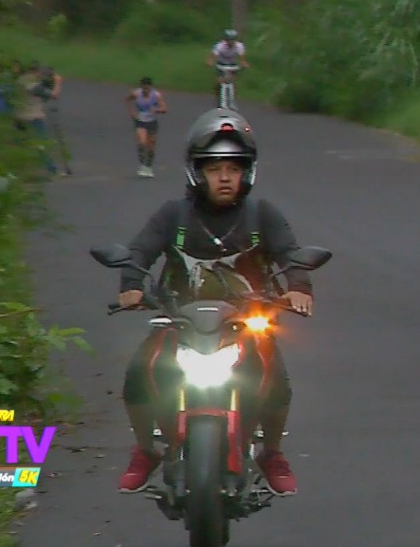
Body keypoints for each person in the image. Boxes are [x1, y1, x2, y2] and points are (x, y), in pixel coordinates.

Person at [113, 109, 313, 496]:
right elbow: (139, 252)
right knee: (140, 372)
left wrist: (299, 288)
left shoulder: (262, 214)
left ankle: (271, 453)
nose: (224, 177)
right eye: (214, 168)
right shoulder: (174, 214)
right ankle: (145, 450)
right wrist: (132, 285)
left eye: (234, 169)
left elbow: (292, 255)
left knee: (276, 380)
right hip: (180, 322)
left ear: (247, 173)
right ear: (196, 173)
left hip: (245, 322)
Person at [124, 77, 168, 177]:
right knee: (142, 142)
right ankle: (142, 165)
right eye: (144, 89)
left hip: (152, 122)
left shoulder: (156, 96)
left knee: (151, 146)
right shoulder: (136, 94)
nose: (145, 91)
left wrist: (156, 110)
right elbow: (127, 101)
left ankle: (148, 166)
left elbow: (164, 109)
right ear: (141, 87)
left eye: (147, 89)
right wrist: (132, 112)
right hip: (140, 121)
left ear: (150, 88)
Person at [208, 29, 249, 109]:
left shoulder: (239, 46)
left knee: (232, 83)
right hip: (221, 64)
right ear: (225, 40)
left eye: (232, 39)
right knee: (220, 82)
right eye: (229, 40)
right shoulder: (220, 46)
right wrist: (210, 62)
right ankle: (219, 100)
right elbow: (213, 56)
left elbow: (242, 58)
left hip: (232, 65)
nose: (231, 42)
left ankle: (232, 102)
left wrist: (244, 64)